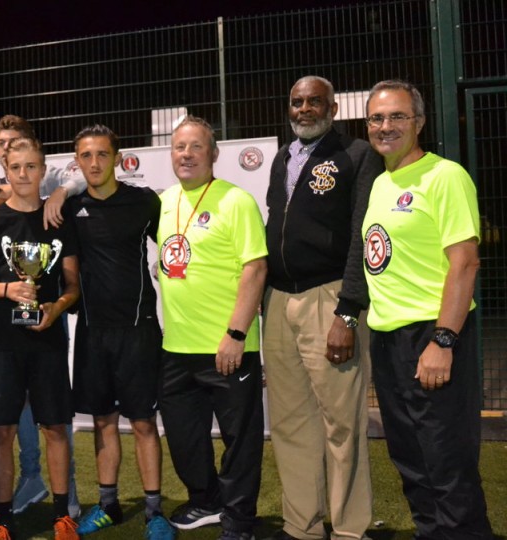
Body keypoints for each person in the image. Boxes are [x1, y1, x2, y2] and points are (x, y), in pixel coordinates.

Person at [362, 80, 493, 538]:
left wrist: (443, 340)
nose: (386, 126)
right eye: (377, 118)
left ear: (419, 122)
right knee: (410, 458)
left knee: (446, 458)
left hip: (432, 335)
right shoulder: (381, 183)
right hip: (387, 340)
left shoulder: (445, 176)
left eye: (398, 116)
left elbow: (465, 262)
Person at [262, 76, 382, 540]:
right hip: (278, 300)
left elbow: (361, 236)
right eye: (297, 102)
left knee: (342, 424)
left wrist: (348, 311)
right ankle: (302, 526)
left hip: (329, 299)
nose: (305, 109)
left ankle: (350, 530)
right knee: (291, 423)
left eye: (315, 101)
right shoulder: (282, 157)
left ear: (333, 108)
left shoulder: (356, 154)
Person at [49, 125, 174, 540]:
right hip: (93, 333)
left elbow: (177, 242)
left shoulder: (144, 202)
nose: (95, 162)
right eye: (86, 155)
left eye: (102, 154)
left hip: (139, 332)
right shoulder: (71, 207)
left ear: (117, 159)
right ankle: (107, 505)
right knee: (103, 422)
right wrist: (61, 192)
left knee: (143, 423)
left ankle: (154, 512)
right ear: (77, 161)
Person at [0, 137, 81, 540]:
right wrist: (6, 289)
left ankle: (62, 515)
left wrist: (56, 308)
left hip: (47, 341)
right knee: (1, 431)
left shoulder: (59, 219)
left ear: (43, 170)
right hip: (2, 344)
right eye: (16, 167)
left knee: (55, 428)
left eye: (31, 166)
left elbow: (73, 286)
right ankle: (4, 521)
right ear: (5, 172)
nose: (24, 174)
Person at [156, 116, 267, 540]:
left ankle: (239, 520)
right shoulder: (164, 201)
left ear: (214, 154)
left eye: (196, 146)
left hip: (228, 346)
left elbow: (255, 268)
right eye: (179, 147)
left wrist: (236, 334)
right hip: (177, 348)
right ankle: (206, 500)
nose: (186, 154)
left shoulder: (237, 201)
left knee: (240, 440)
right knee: (184, 437)